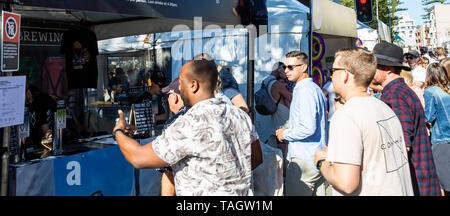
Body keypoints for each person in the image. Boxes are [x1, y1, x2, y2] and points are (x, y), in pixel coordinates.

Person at [112, 59, 262, 196]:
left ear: (193, 85)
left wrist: (118, 132)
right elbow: (256, 157)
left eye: (181, 82)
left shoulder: (189, 123)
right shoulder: (239, 115)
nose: (179, 87)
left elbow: (138, 157)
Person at [314, 48, 413, 196]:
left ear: (345, 75)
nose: (331, 75)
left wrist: (321, 162)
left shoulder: (346, 116)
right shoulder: (384, 108)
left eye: (333, 70)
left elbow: (346, 183)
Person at [372, 41, 441, 196]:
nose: (370, 70)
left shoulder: (396, 95)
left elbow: (401, 145)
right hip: (417, 178)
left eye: (374, 66)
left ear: (388, 69)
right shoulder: (398, 91)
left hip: (415, 181)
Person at [275, 51, 328, 196]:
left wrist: (285, 133)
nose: (286, 71)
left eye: (290, 67)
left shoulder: (305, 91)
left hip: (305, 158)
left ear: (303, 67)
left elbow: (308, 128)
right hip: (314, 156)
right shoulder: (313, 89)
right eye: (285, 67)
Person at [157, 78, 190, 196]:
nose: (168, 99)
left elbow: (168, 170)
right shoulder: (226, 112)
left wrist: (119, 132)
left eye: (169, 95)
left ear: (175, 97)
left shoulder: (175, 123)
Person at [423, 63, 450, 196]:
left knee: (445, 179)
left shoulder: (430, 92)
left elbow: (428, 116)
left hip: (441, 138)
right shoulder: (448, 89)